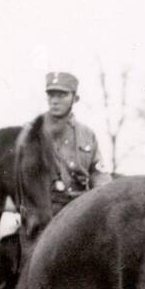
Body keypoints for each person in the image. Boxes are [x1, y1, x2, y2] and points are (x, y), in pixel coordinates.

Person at [43, 71, 106, 211]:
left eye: (61, 95)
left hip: (80, 209)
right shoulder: (34, 132)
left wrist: (105, 197)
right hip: (46, 209)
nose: (55, 101)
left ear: (75, 98)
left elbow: (98, 173)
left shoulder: (87, 134)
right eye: (51, 95)